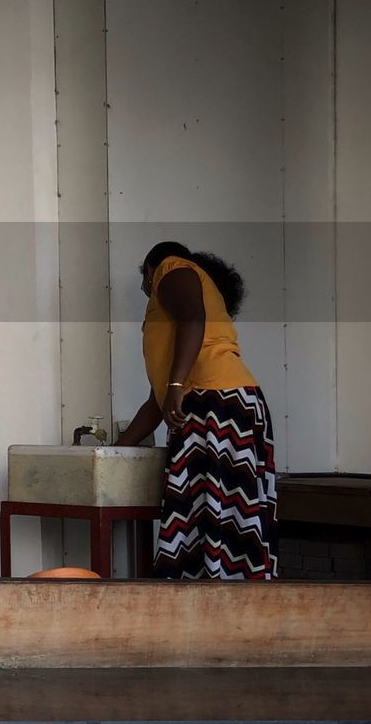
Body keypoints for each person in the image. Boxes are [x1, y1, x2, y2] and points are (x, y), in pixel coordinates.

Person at [114, 241, 277, 580]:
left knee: (213, 518)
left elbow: (192, 316)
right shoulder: (175, 348)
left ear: (149, 268)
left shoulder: (171, 268)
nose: (145, 287)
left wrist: (176, 386)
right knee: (210, 520)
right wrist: (117, 449)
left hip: (217, 405)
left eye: (143, 278)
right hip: (224, 404)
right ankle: (213, 610)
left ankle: (221, 610)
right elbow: (156, 405)